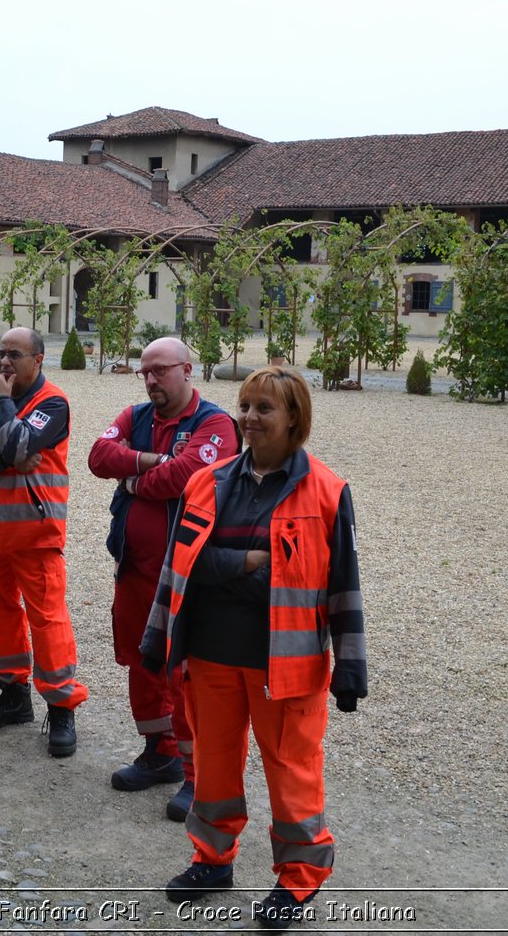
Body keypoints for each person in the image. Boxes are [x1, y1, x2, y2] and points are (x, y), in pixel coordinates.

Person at [141, 367, 365, 929]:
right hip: (212, 654)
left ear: (294, 418)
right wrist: (240, 567)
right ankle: (211, 859)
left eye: (264, 408)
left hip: (284, 666)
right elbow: (182, 565)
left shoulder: (328, 491)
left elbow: (342, 586)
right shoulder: (207, 482)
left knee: (292, 771)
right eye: (244, 406)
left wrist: (352, 666)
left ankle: (299, 879)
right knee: (214, 764)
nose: (249, 418)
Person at [87, 336, 238, 820]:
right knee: (142, 662)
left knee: (185, 676)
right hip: (133, 568)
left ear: (187, 369)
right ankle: (161, 753)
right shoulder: (136, 416)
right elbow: (96, 457)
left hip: (185, 578)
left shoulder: (213, 423)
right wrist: (149, 462)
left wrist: (130, 478)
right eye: (144, 371)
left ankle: (201, 779)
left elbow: (190, 477)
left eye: (160, 370)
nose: (151, 379)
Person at [0, 326, 86, 758]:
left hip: (34, 531)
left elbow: (21, 442)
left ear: (38, 360)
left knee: (47, 619)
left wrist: (1, 422)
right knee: (0, 613)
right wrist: (0, 455)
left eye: (15, 355)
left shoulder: (53, 402)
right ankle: (13, 696)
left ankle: (61, 707)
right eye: (1, 354)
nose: (4, 362)